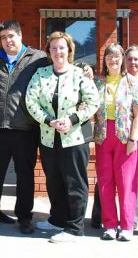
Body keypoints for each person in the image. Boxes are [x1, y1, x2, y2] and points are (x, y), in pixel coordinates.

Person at [25, 31, 99, 243]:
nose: (58, 51)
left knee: (75, 183)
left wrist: (72, 119)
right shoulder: (41, 74)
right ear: (49, 51)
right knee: (54, 181)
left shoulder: (79, 74)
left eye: (62, 48)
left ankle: (75, 228)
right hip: (49, 138)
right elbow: (31, 102)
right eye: (54, 48)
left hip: (74, 138)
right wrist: (48, 121)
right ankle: (57, 219)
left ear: (69, 50)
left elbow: (93, 102)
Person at [0, 20, 49, 236]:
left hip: (25, 129)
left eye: (11, 36)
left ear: (20, 35)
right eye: (4, 37)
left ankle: (25, 218)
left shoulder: (37, 59)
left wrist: (84, 68)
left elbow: (59, 66)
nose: (8, 41)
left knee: (25, 176)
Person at [93, 43, 138, 241]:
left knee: (126, 182)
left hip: (125, 137)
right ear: (105, 60)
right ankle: (109, 225)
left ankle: (126, 226)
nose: (113, 60)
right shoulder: (99, 83)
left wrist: (134, 137)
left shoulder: (131, 81)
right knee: (105, 182)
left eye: (116, 57)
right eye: (109, 57)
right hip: (103, 136)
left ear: (122, 59)